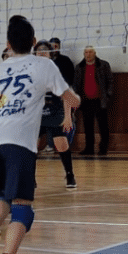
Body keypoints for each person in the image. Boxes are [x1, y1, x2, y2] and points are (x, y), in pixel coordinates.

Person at [0, 15, 81, 254]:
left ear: (8, 44)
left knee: (5, 197)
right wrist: (74, 99)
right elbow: (72, 99)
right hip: (18, 141)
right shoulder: (44, 64)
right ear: (33, 42)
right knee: (23, 208)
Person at [35, 40, 77, 189]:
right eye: (39, 50)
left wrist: (68, 117)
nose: (41, 52)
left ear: (50, 54)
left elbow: (66, 94)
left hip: (55, 110)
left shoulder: (56, 70)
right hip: (36, 113)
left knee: (61, 143)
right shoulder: (30, 71)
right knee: (31, 146)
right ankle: (30, 177)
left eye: (44, 50)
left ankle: (70, 175)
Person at [74, 43, 113, 157]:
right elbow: (76, 84)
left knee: (103, 126)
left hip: (100, 100)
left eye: (90, 52)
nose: (88, 54)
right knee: (88, 126)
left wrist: (108, 95)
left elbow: (110, 81)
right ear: (84, 54)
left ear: (95, 53)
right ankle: (89, 148)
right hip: (85, 101)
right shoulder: (79, 67)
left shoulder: (103, 65)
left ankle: (103, 148)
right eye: (86, 52)